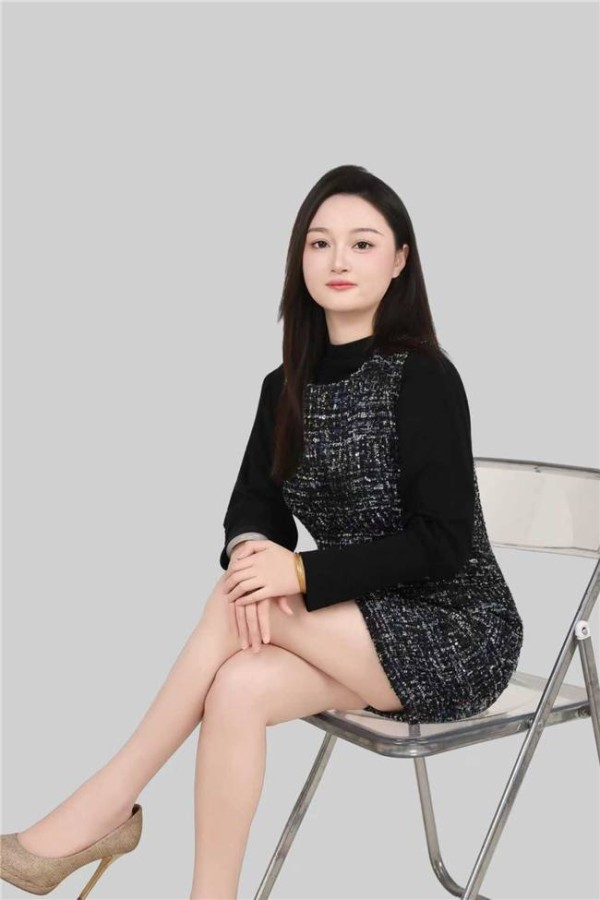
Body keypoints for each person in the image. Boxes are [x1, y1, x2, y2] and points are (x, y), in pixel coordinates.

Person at [0, 164, 524, 900]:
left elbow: (443, 544)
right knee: (238, 685)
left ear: (400, 260)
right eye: (320, 242)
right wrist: (254, 552)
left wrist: (298, 574)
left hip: (455, 630)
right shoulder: (283, 388)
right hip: (352, 628)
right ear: (299, 257)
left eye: (363, 243)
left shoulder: (425, 377)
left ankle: (106, 804)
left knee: (236, 600)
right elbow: (253, 509)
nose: (339, 260)